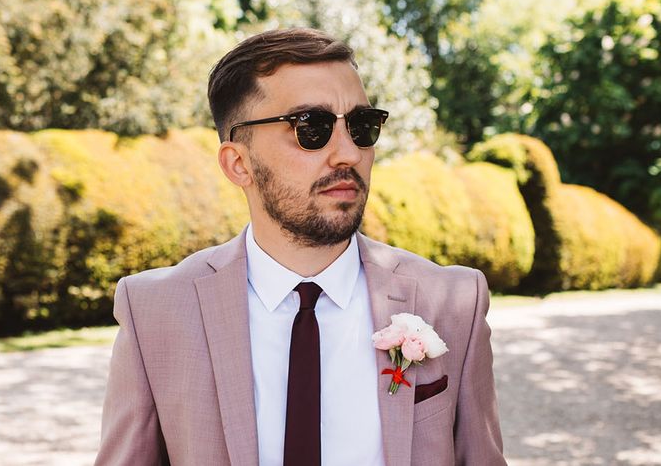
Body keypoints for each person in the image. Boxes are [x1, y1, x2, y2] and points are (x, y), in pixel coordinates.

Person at [95, 27, 506, 466]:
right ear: (238, 163)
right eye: (312, 128)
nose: (347, 153)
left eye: (362, 126)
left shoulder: (454, 304)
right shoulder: (155, 312)